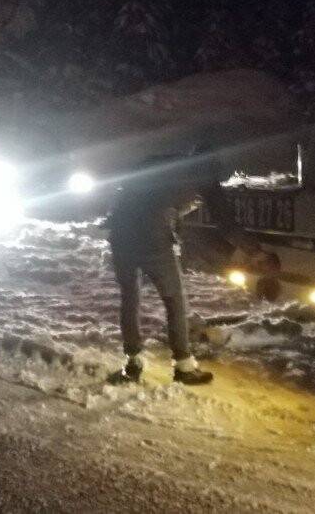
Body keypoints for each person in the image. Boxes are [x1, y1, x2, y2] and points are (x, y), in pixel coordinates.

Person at [106, 147, 255, 386]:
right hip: (153, 238)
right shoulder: (204, 175)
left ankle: (132, 363)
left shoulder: (158, 159)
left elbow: (124, 185)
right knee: (174, 300)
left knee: (130, 299)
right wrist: (255, 251)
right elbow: (226, 223)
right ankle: (184, 366)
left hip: (121, 233)